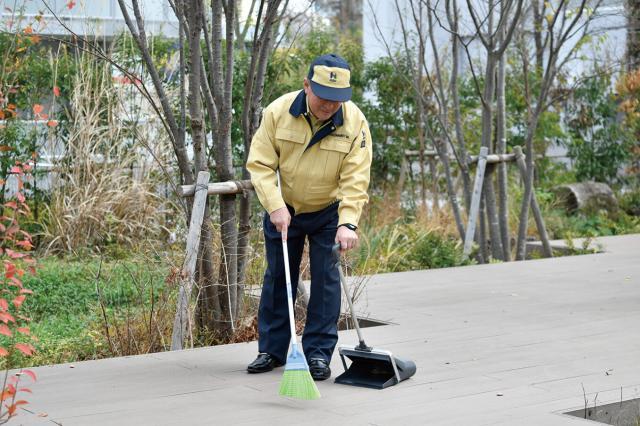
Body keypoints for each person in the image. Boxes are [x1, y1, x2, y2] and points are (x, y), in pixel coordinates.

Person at [245, 53, 372, 381]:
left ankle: (317, 354)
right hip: (283, 208)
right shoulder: (277, 112)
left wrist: (348, 222)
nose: (330, 105)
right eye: (324, 97)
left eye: (337, 99)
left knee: (326, 283)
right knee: (278, 278)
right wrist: (274, 205)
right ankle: (271, 351)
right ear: (306, 86)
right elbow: (260, 163)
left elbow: (356, 177)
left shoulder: (354, 122)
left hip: (328, 211)